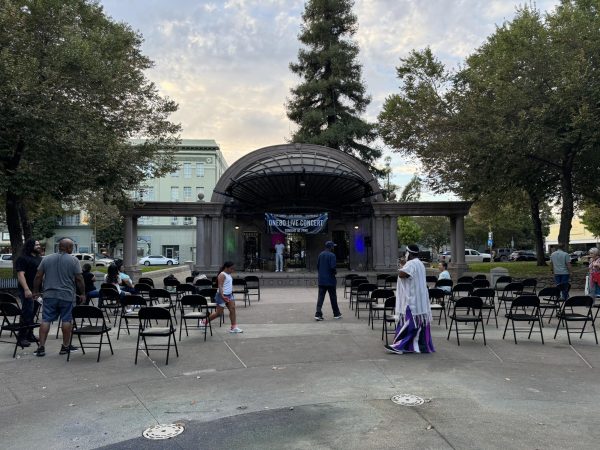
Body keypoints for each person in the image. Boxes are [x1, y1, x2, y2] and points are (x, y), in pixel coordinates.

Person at [32, 238, 86, 357]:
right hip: (67, 295)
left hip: (49, 295)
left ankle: (41, 347)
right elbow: (79, 278)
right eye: (72, 247)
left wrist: (35, 291)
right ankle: (65, 346)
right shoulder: (73, 260)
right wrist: (82, 293)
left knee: (45, 320)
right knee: (67, 320)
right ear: (68, 248)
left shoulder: (46, 259)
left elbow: (38, 276)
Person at [385, 244, 435, 354]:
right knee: (418, 324)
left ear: (408, 253)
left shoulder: (411, 264)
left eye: (405, 253)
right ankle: (418, 346)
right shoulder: (420, 263)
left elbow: (402, 274)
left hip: (412, 300)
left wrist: (402, 265)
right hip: (420, 300)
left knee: (409, 324)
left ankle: (400, 346)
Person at [15, 238, 43, 347]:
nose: (38, 246)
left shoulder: (39, 258)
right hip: (26, 290)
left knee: (32, 313)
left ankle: (29, 334)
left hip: (36, 291)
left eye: (39, 244)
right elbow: (20, 275)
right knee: (27, 312)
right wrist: (26, 289)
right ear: (30, 246)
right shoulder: (22, 258)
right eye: (36, 244)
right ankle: (21, 337)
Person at [202, 261, 243, 333]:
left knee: (232, 309)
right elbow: (220, 286)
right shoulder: (222, 275)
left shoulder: (228, 274)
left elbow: (228, 284)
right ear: (226, 268)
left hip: (229, 295)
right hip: (221, 295)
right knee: (219, 313)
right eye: (231, 269)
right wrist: (222, 296)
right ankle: (204, 321)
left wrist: (232, 289)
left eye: (233, 269)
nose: (232, 270)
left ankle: (234, 327)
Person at [314, 240, 342, 321]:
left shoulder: (320, 254)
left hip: (322, 280)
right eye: (333, 246)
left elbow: (318, 266)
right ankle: (336, 313)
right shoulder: (332, 255)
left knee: (320, 298)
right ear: (331, 247)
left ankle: (318, 314)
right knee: (333, 297)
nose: (333, 247)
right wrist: (335, 272)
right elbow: (332, 267)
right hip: (330, 280)